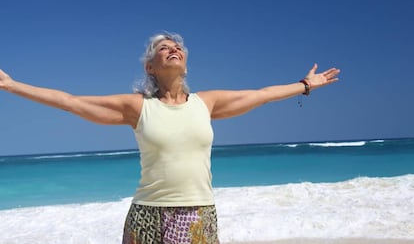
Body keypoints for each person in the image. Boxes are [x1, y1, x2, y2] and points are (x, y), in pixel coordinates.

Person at [0, 32, 340, 244]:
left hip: (199, 214)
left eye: (177, 46)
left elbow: (262, 94)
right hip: (147, 216)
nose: (173, 48)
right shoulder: (137, 107)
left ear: (186, 64)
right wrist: (12, 85)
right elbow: (72, 102)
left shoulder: (207, 103)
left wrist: (306, 85)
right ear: (150, 67)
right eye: (163, 48)